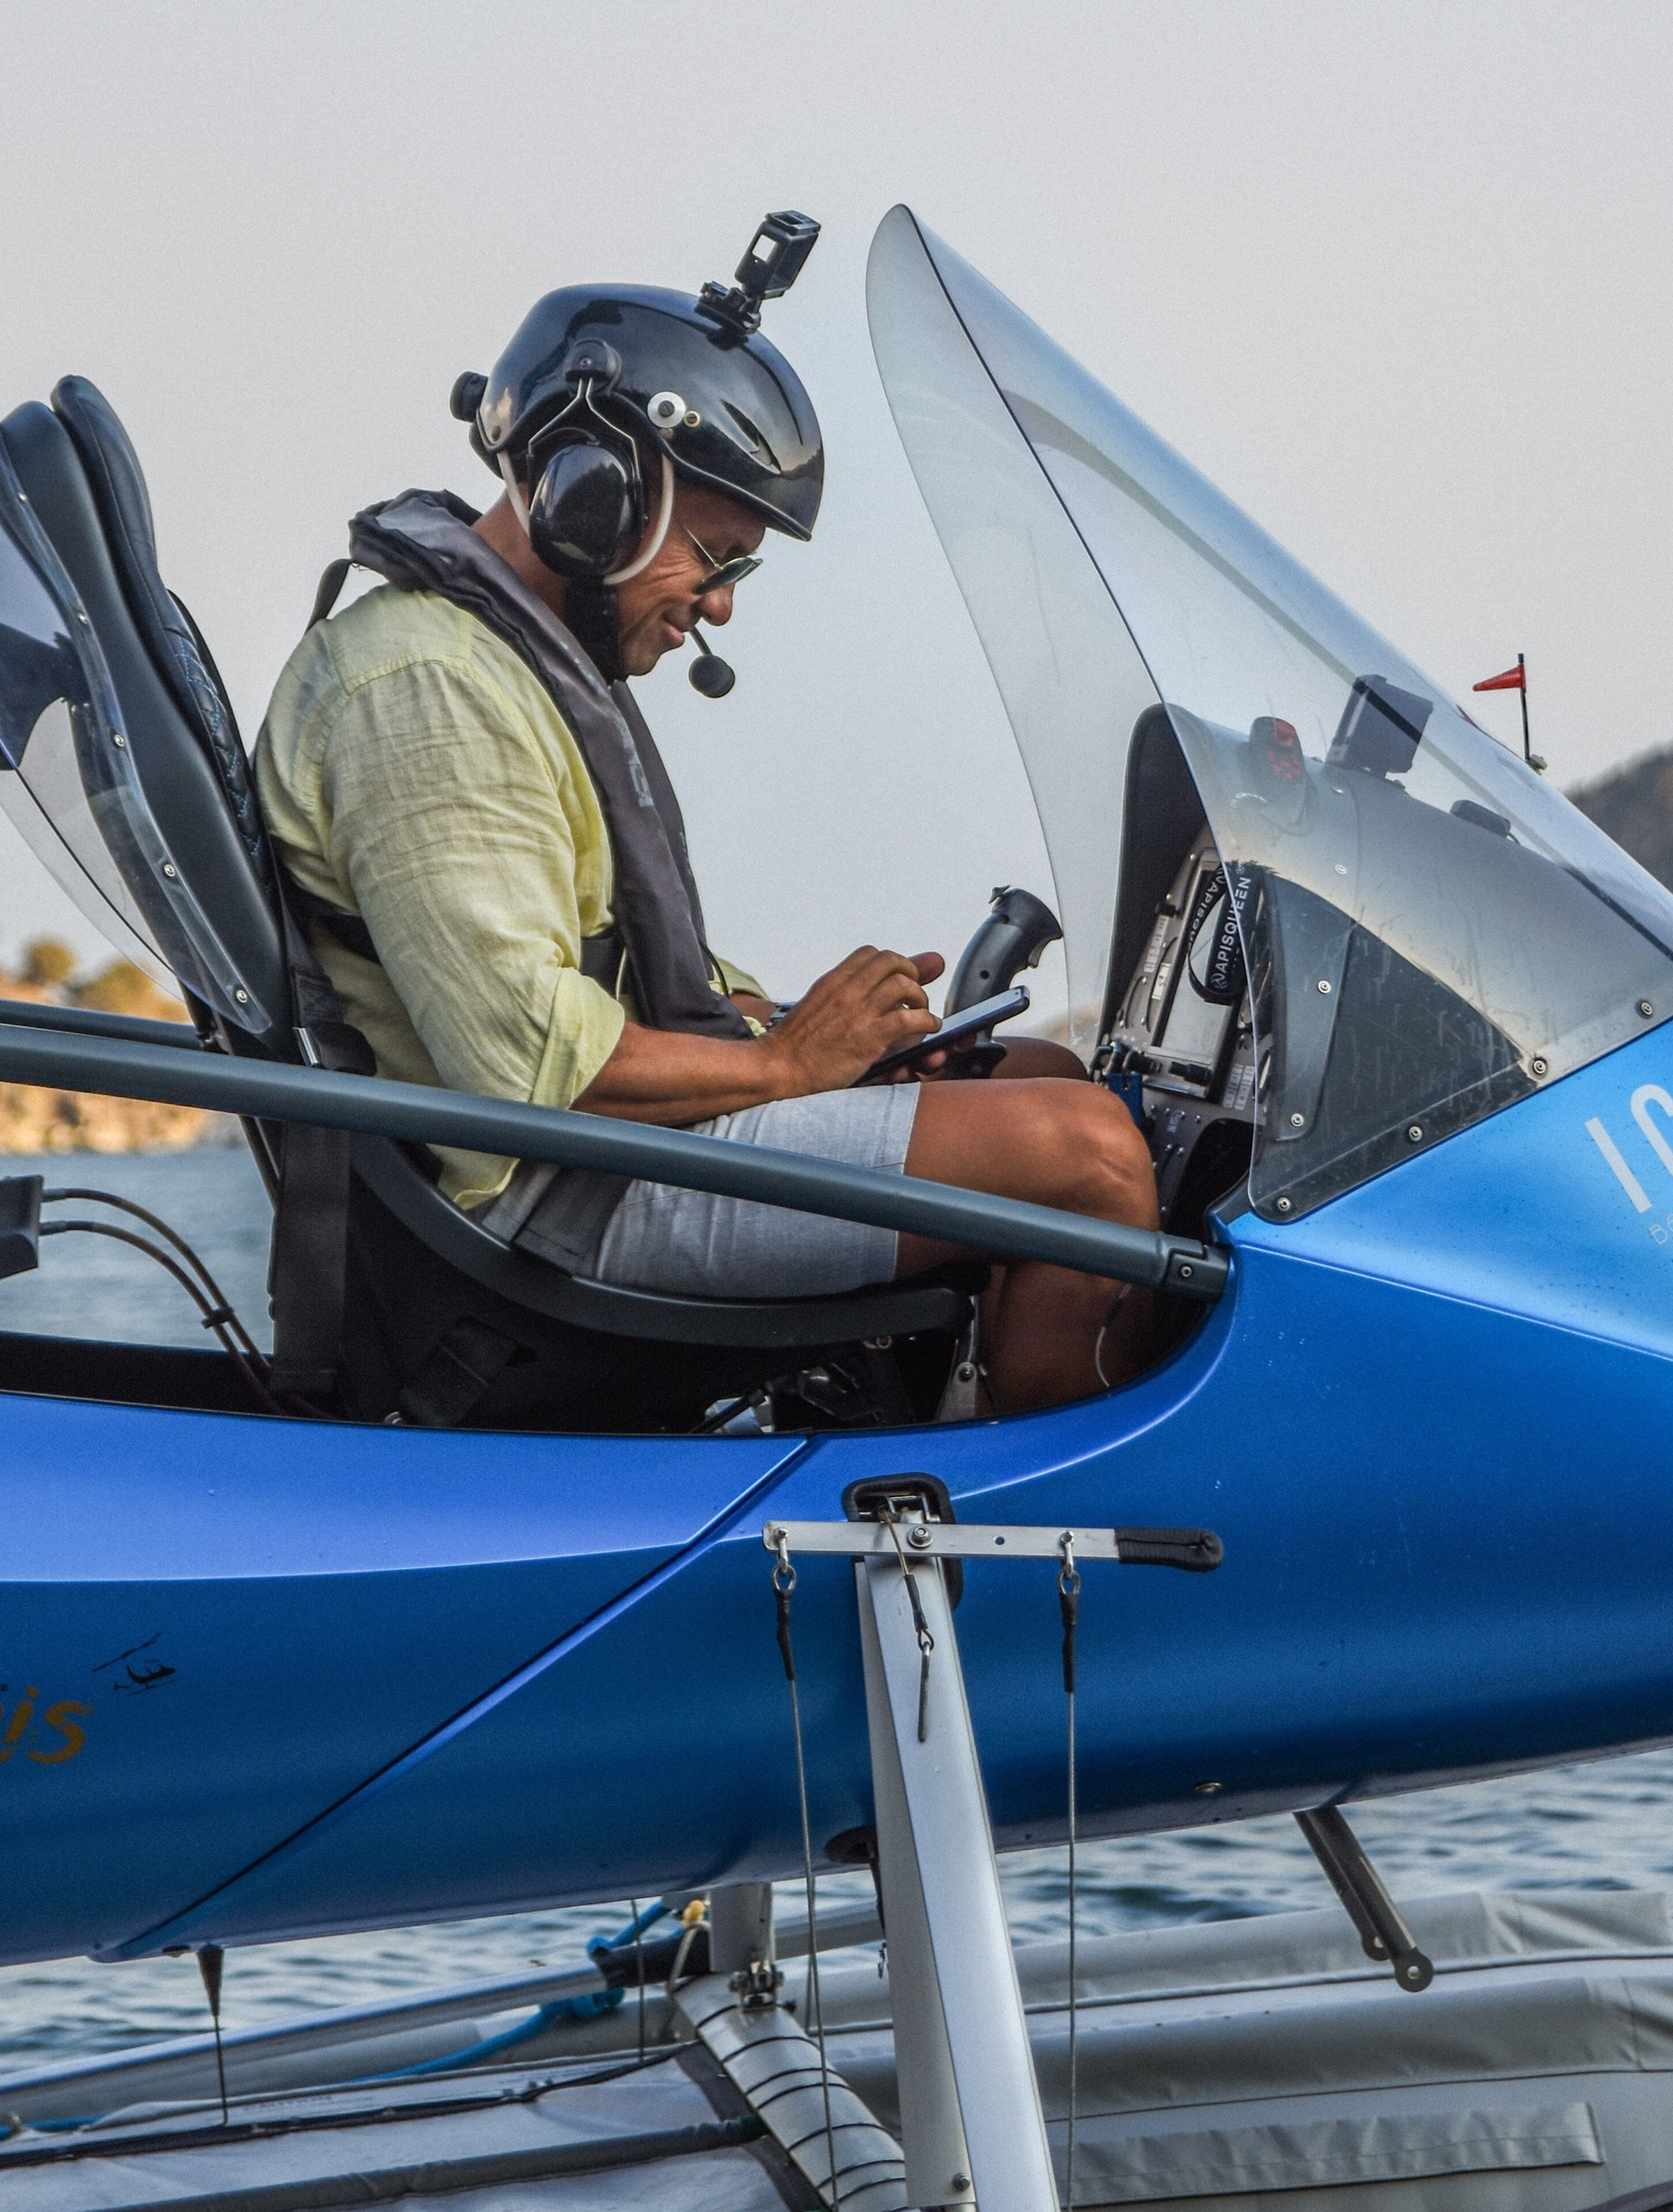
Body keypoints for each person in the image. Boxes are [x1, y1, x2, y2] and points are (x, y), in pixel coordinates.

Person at [254, 214, 1155, 1412]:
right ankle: (1051, 1529)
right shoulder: (425, 690)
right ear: (594, 496)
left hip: (593, 1157)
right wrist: (786, 1065)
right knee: (1083, 1160)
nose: (719, 611)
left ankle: (943, 1439)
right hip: (557, 1199)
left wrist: (815, 1038)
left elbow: (599, 964)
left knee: (1034, 1069)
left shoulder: (494, 663)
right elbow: (529, 1071)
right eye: (716, 559)